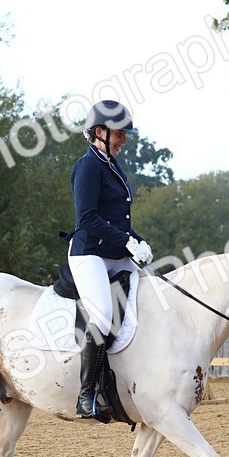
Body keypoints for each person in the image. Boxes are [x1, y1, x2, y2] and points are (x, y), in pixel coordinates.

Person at [67, 100, 153, 422]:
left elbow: (119, 221)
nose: (124, 140)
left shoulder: (114, 166)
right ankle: (87, 394)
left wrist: (138, 240)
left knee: (150, 297)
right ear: (100, 132)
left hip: (115, 253)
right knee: (103, 314)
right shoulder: (87, 167)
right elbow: (87, 218)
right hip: (89, 253)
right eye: (119, 134)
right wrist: (128, 242)